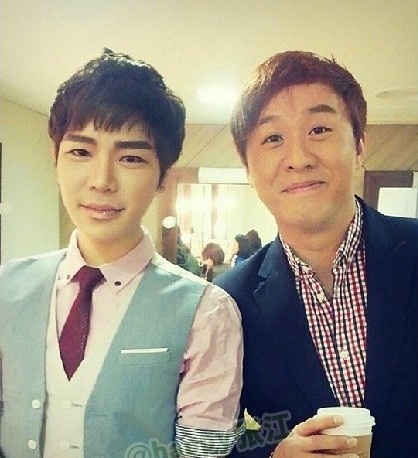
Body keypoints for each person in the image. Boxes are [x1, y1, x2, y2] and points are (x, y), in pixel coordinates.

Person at [0, 49, 243, 457]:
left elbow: (203, 453)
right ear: (55, 160)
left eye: (131, 158)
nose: (101, 181)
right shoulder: (7, 288)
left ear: (162, 176)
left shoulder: (206, 311)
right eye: (81, 152)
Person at [214, 51, 418, 457]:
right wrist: (273, 454)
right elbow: (219, 438)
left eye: (319, 129)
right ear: (247, 167)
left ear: (359, 145)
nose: (298, 159)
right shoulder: (228, 300)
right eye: (273, 138)